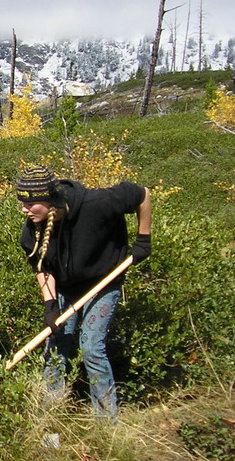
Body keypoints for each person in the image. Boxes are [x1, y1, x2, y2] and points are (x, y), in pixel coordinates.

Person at [15, 165, 151, 421]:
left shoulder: (97, 203)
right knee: (55, 347)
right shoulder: (32, 230)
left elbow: (142, 194)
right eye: (21, 203)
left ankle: (107, 422)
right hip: (67, 288)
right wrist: (50, 305)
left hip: (104, 282)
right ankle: (50, 416)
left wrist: (143, 239)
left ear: (49, 199)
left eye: (30, 204)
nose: (24, 210)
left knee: (91, 347)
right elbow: (43, 268)